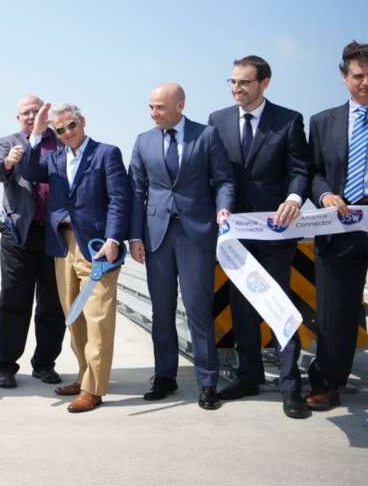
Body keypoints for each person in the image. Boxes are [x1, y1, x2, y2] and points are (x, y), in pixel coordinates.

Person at [208, 55, 311, 419]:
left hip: (277, 233)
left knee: (280, 308)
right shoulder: (217, 121)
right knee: (242, 309)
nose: (237, 88)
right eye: (233, 82)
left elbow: (300, 169)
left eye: (245, 83)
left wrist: (294, 198)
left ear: (264, 83)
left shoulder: (288, 120)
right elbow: (216, 173)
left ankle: (289, 387)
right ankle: (249, 376)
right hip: (235, 234)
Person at [18, 103, 130, 412]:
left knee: (97, 319)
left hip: (97, 247)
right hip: (62, 244)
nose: (67, 133)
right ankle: (84, 376)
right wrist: (38, 132)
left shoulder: (107, 153)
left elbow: (120, 199)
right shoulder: (53, 158)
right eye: (60, 130)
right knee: (74, 317)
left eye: (72, 126)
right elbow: (28, 169)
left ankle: (94, 389)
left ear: (83, 122)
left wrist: (113, 239)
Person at [128, 83, 234, 410]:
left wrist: (224, 206)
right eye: (150, 107)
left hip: (196, 234)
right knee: (161, 311)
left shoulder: (207, 136)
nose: (154, 113)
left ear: (180, 105)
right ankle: (165, 377)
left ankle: (207, 382)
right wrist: (134, 237)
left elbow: (224, 180)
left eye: (160, 107)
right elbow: (136, 191)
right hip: (156, 236)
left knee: (198, 308)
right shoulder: (143, 141)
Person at [305, 41, 368, 411]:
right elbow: (312, 173)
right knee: (334, 312)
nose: (365, 83)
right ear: (344, 77)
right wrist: (326, 194)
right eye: (358, 76)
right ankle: (328, 382)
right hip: (340, 224)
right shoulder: (322, 122)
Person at [0, 94, 65, 389]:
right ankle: (6, 366)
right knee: (13, 300)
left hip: (53, 233)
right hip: (17, 234)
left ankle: (45, 363)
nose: (32, 116)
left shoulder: (60, 142)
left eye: (37, 111)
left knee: (51, 304)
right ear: (17, 117)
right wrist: (9, 163)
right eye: (26, 112)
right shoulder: (7, 142)